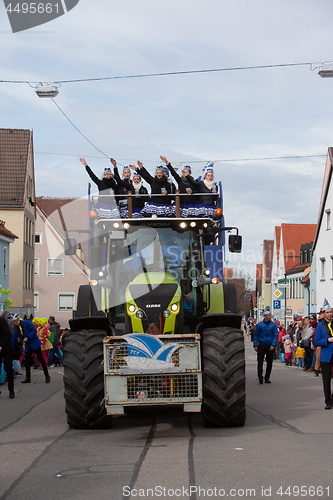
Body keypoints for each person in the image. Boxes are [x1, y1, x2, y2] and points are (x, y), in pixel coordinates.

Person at [9, 313, 50, 384]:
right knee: (27, 361)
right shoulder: (16, 329)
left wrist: (28, 337)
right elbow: (13, 338)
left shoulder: (27, 322)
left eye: (13, 322)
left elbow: (34, 331)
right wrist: (7, 345)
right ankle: (28, 378)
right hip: (28, 345)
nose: (12, 324)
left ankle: (47, 376)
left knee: (41, 358)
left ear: (15, 321)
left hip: (35, 343)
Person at [314, 300, 333, 409]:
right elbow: (316, 342)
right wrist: (328, 340)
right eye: (327, 312)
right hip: (326, 355)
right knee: (326, 380)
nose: (330, 314)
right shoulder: (320, 326)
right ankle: (328, 401)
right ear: (323, 314)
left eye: (331, 312)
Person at [253, 306, 278, 384]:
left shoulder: (273, 325)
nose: (270, 317)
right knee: (260, 362)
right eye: (268, 315)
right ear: (265, 316)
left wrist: (273, 345)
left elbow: (275, 336)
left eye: (270, 315)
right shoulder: (260, 325)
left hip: (270, 345)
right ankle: (260, 376)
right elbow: (256, 335)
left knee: (269, 362)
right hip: (262, 344)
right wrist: (255, 345)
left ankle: (267, 377)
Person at [0, 315, 15, 398]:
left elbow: (7, 334)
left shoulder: (1, 320)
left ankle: (11, 390)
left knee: (8, 368)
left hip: (6, 347)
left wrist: (1, 345)